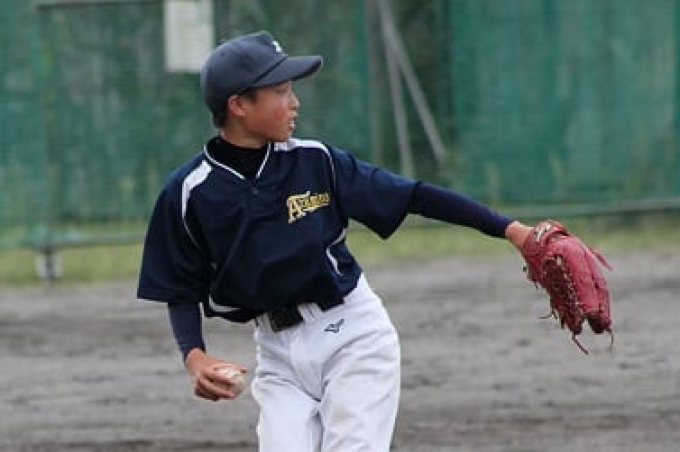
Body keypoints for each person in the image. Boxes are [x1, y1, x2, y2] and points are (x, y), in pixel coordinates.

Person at [137, 30, 533, 452]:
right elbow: (180, 286)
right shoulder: (188, 191)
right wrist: (194, 356)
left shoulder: (315, 160)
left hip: (352, 338)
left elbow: (413, 196)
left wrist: (512, 230)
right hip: (276, 353)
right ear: (238, 105)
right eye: (281, 91)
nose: (295, 102)